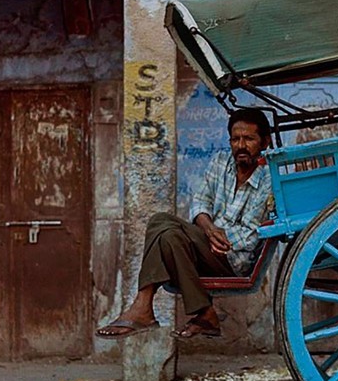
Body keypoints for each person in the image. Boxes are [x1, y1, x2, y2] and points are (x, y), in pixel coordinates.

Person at [97, 107, 274, 341]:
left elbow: (251, 235)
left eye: (249, 139)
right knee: (168, 235)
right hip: (205, 245)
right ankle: (202, 313)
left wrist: (216, 238)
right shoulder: (221, 161)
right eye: (235, 139)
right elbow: (201, 202)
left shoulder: (270, 178)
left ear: (265, 142)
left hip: (233, 258)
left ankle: (144, 307)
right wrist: (209, 230)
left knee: (161, 222)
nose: (241, 145)